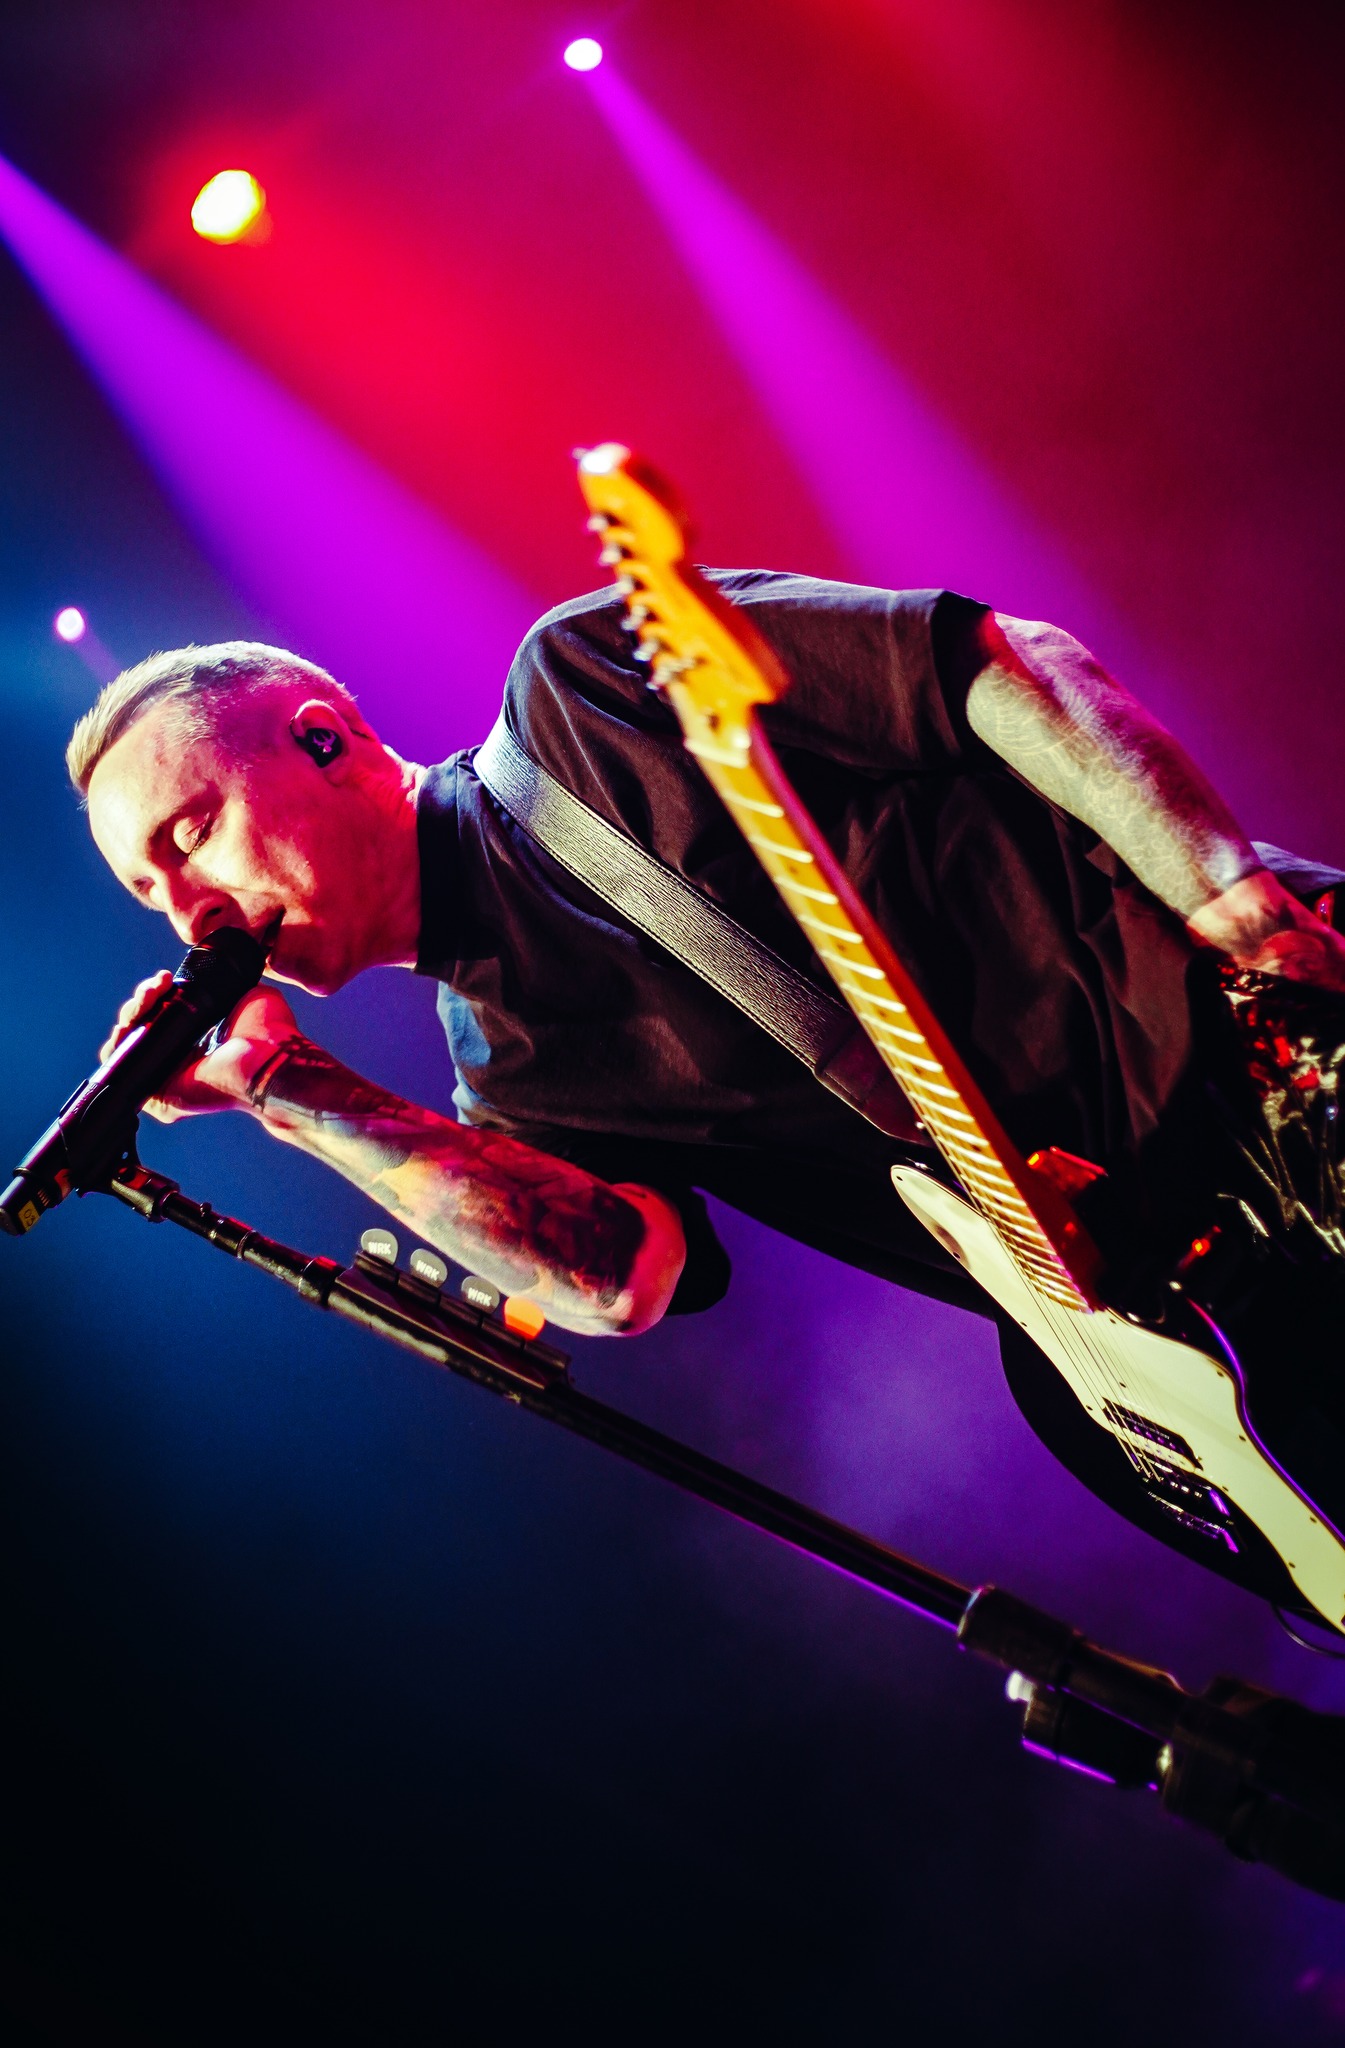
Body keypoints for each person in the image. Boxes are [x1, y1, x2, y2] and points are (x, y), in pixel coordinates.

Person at [73, 572, 1345, 1344]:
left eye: (190, 836)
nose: (185, 907)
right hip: (1191, 1315)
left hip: (1258, 1049)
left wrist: (1240, 909)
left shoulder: (578, 689)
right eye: (148, 890)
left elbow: (999, 666)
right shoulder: (508, 1083)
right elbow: (620, 1282)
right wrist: (289, 1087)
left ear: (322, 740)